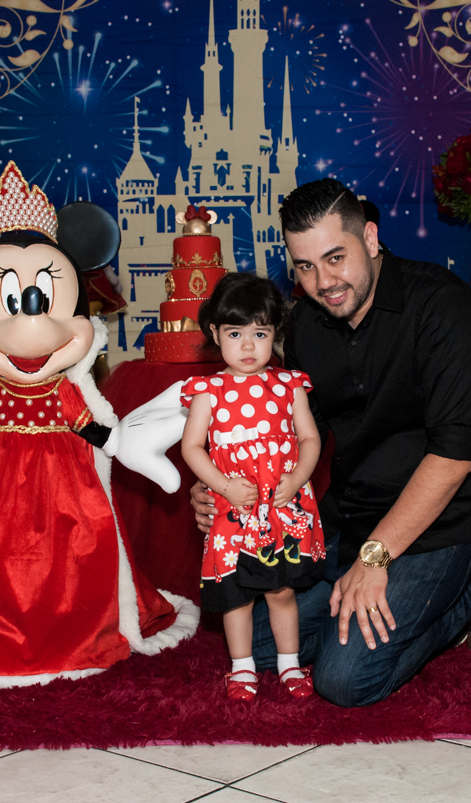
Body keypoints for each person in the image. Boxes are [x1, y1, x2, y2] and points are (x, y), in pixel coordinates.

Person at [190, 178, 471, 707]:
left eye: (336, 257)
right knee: (261, 645)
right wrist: (219, 486)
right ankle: (372, 603)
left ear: (372, 239)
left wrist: (375, 560)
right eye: (305, 266)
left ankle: (466, 596)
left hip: (437, 524)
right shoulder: (309, 325)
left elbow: (455, 455)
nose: (324, 281)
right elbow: (284, 435)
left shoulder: (440, 304)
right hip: (352, 515)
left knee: (345, 679)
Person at [181, 272, 326, 700]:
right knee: (237, 595)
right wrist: (224, 487)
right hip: (236, 509)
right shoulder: (207, 391)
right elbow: (192, 448)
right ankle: (241, 669)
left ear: (275, 333)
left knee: (282, 589)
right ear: (215, 333)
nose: (248, 345)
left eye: (260, 333)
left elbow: (311, 439)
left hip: (282, 506)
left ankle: (289, 665)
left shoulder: (289, 385)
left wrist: (298, 477)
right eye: (235, 333)